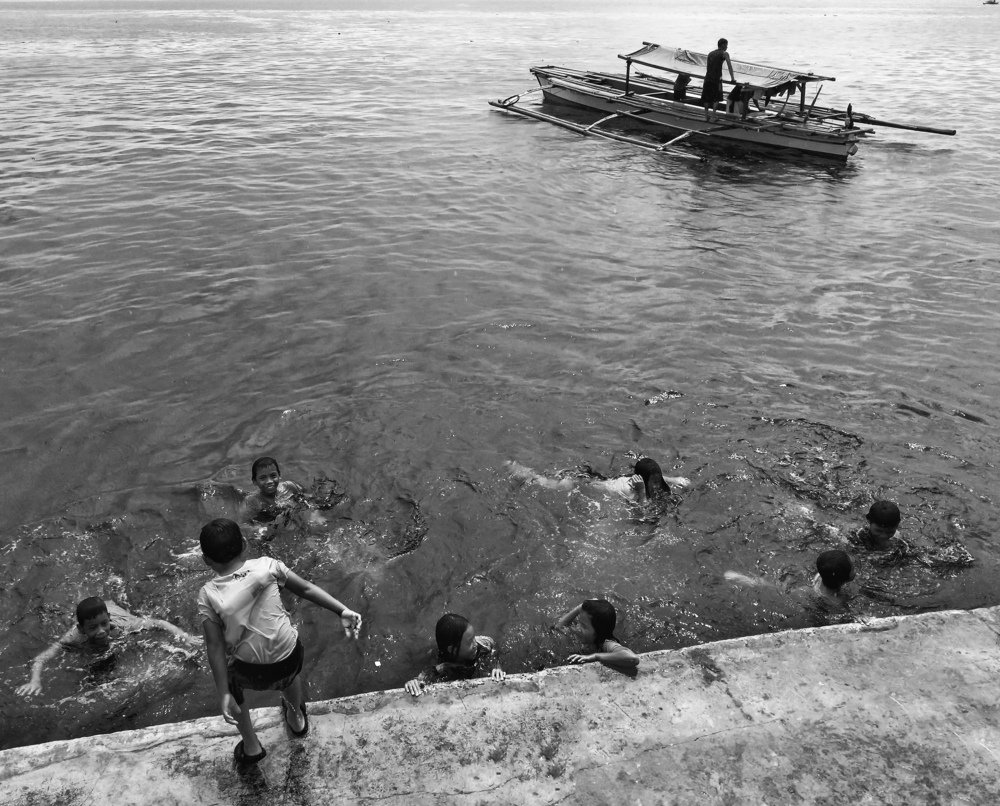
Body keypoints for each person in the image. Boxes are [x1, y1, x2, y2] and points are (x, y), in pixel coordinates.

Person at [197, 518, 362, 765]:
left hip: (247, 671)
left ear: (206, 560)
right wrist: (342, 611)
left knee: (232, 680)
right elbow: (305, 589)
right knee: (290, 670)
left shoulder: (208, 594)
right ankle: (296, 719)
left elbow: (215, 647)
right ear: (245, 544)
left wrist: (223, 693)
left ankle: (252, 747)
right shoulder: (268, 566)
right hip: (289, 658)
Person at [15, 597, 198, 697]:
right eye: (93, 628)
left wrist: (184, 636)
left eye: (104, 624)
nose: (102, 631)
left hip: (114, 608)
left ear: (108, 620)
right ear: (82, 629)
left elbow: (159, 623)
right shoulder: (73, 637)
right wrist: (35, 681)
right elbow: (41, 658)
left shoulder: (125, 626)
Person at [506, 457, 689, 503]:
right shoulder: (628, 488)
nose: (657, 483)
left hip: (603, 478)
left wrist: (675, 479)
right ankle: (523, 473)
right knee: (551, 483)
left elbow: (656, 477)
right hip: (586, 484)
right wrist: (641, 492)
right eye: (654, 479)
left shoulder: (648, 479)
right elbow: (643, 514)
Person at [404, 613, 505, 696]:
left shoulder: (481, 644)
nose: (475, 644)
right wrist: (414, 683)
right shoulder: (441, 666)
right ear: (452, 649)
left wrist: (496, 667)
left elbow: (494, 647)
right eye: (470, 641)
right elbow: (423, 679)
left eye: (474, 637)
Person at [725, 549, 855, 608]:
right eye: (852, 569)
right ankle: (751, 581)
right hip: (819, 605)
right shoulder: (837, 603)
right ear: (847, 578)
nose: (854, 570)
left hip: (807, 588)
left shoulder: (819, 576)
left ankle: (751, 581)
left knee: (780, 589)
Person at [553, 599, 639, 673]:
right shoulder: (586, 637)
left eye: (583, 626)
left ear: (598, 631)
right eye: (579, 622)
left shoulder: (606, 644)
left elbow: (632, 658)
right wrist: (579, 608)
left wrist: (595, 657)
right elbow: (558, 627)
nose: (578, 628)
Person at [238, 456, 305, 527]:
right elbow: (242, 524)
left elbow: (308, 500)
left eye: (273, 476)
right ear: (255, 482)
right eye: (263, 478)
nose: (269, 481)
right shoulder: (252, 502)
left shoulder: (290, 487)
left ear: (279, 475)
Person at [701, 38, 736, 121]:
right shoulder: (724, 53)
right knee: (717, 97)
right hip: (716, 79)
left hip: (707, 78)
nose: (727, 47)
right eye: (726, 45)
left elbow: (709, 67)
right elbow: (729, 66)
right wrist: (732, 78)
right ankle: (713, 116)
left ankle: (706, 116)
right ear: (723, 45)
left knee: (706, 97)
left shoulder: (710, 53)